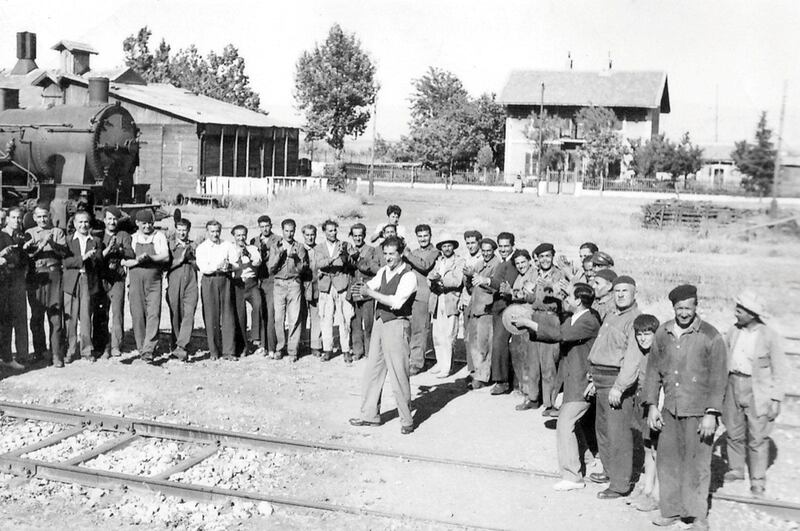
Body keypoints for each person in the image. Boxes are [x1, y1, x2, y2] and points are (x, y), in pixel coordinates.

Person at [644, 284, 727, 531]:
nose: (683, 313)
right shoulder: (663, 333)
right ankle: (670, 511)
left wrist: (711, 413)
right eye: (679, 308)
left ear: (696, 306)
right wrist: (651, 405)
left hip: (699, 414)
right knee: (667, 463)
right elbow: (653, 371)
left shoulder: (710, 336)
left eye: (688, 308)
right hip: (670, 410)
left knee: (697, 465)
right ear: (673, 308)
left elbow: (719, 378)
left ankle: (698, 516)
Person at [515, 283, 601, 490]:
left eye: (569, 296)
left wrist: (529, 323)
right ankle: (590, 460)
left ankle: (572, 476)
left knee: (564, 424)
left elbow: (558, 335)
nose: (565, 300)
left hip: (582, 380)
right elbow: (558, 331)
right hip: (573, 379)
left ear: (579, 300)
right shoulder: (574, 318)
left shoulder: (588, 320)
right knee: (578, 424)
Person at [349, 236, 417, 434]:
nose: (388, 258)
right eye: (385, 253)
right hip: (381, 322)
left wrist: (370, 294)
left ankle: (406, 420)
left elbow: (396, 302)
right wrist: (363, 290)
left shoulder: (409, 276)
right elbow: (373, 285)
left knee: (398, 373)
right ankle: (369, 415)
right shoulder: (384, 271)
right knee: (373, 370)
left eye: (392, 254)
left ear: (401, 253)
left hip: (397, 324)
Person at [722, 290, 787, 497]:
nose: (736, 313)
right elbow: (724, 357)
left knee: (758, 436)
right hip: (733, 383)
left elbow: (780, 369)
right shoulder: (733, 331)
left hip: (757, 390)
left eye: (740, 310)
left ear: (751, 313)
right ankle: (736, 469)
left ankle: (758, 480)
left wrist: (776, 399)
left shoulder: (769, 336)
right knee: (733, 430)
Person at [586, 275, 641, 499]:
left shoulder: (635, 319)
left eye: (624, 291)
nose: (619, 295)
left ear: (634, 293)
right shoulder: (611, 314)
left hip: (614, 382)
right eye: (617, 291)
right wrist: (592, 379)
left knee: (618, 434)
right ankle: (609, 471)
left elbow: (633, 359)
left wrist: (620, 386)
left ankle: (619, 484)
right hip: (599, 380)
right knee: (604, 430)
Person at [623, 313, 661, 512]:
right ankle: (647, 489)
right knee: (647, 446)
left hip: (656, 403)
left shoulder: (660, 352)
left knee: (658, 448)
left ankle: (656, 494)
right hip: (643, 401)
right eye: (639, 334)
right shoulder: (641, 352)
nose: (643, 338)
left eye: (647, 333)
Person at [24, 204, 69, 366]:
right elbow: (27, 256)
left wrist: (53, 243)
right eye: (39, 217)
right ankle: (39, 352)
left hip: (54, 276)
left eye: (45, 216)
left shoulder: (57, 232)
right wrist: (38, 246)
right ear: (34, 218)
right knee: (36, 316)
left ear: (50, 216)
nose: (43, 219)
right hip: (36, 278)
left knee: (55, 316)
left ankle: (57, 353)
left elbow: (64, 253)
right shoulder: (29, 234)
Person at [122, 210, 169, 362]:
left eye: (150, 223)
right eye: (144, 223)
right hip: (135, 281)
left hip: (154, 281)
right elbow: (124, 261)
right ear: (137, 223)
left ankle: (149, 348)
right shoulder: (132, 238)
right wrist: (137, 261)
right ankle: (141, 347)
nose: (147, 226)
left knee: (153, 313)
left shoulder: (159, 236)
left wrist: (150, 257)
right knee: (137, 314)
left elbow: (165, 255)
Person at [62, 210, 103, 362]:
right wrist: (83, 258)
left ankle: (86, 350)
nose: (83, 225)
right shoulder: (68, 240)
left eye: (86, 221)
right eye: (80, 222)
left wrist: (93, 258)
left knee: (86, 316)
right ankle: (70, 350)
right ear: (74, 224)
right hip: (72, 281)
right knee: (70, 318)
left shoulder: (96, 240)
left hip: (87, 280)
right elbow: (65, 262)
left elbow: (99, 261)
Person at [95, 206, 135, 359]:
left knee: (117, 312)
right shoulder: (98, 235)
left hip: (117, 277)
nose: (112, 222)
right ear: (104, 220)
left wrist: (120, 250)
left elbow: (131, 253)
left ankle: (116, 345)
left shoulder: (123, 235)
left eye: (114, 219)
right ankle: (101, 345)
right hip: (102, 278)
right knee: (101, 313)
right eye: (109, 219)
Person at [195, 220, 239, 360]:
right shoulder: (202, 248)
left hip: (225, 280)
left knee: (228, 315)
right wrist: (218, 265)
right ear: (207, 232)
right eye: (212, 231)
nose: (215, 234)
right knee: (211, 315)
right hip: (210, 280)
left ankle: (229, 351)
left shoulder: (227, 245)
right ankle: (214, 351)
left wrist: (229, 265)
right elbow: (204, 267)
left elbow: (236, 263)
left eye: (217, 231)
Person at [268, 218, 308, 361]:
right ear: (282, 230)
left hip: (294, 284)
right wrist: (279, 254)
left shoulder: (300, 247)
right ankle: (280, 348)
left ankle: (292, 350)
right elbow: (270, 268)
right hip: (279, 284)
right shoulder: (275, 246)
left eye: (292, 231)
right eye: (286, 231)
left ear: (295, 231)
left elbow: (302, 269)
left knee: (294, 318)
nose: (289, 234)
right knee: (279, 318)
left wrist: (296, 258)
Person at [316, 219, 355, 362]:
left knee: (344, 318)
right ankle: (327, 349)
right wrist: (333, 259)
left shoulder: (344, 245)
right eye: (330, 230)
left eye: (334, 230)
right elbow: (319, 263)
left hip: (341, 285)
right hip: (326, 287)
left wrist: (345, 256)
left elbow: (350, 263)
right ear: (324, 232)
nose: (333, 233)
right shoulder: (319, 248)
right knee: (326, 318)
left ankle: (345, 350)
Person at [427, 233, 465, 378]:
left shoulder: (459, 261)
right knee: (437, 334)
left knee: (449, 334)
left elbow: (457, 281)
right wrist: (432, 280)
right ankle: (439, 362)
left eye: (449, 245)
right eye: (444, 246)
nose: (447, 248)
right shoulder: (439, 261)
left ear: (453, 246)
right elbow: (430, 277)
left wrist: (440, 280)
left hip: (451, 299)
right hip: (437, 299)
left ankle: (447, 367)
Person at [403, 224, 438, 374]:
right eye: (420, 236)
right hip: (410, 296)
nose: (423, 239)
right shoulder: (414, 252)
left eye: (425, 235)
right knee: (408, 329)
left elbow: (424, 266)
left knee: (420, 330)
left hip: (423, 295)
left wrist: (408, 255)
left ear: (430, 236)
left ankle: (417, 363)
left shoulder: (434, 252)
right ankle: (409, 358)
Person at [465, 238, 499, 389]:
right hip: (475, 308)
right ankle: (477, 372)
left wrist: (483, 280)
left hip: (487, 309)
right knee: (474, 343)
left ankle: (483, 377)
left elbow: (496, 287)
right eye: (483, 250)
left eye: (488, 250)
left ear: (493, 250)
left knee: (484, 345)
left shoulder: (496, 265)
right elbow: (471, 288)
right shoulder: (479, 264)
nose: (485, 253)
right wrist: (469, 277)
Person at [487, 232, 518, 395]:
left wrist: (488, 281)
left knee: (500, 342)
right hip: (498, 306)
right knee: (497, 342)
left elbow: (506, 284)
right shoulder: (503, 262)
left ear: (513, 245)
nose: (503, 249)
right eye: (501, 246)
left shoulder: (512, 263)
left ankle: (502, 381)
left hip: (507, 308)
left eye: (506, 246)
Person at [0, 207, 30, 369]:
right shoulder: (1, 236)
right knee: (4, 320)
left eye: (19, 218)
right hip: (3, 282)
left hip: (17, 282)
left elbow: (24, 261)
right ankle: (5, 355)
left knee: (18, 319)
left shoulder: (21, 236)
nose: (17, 221)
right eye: (13, 218)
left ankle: (19, 356)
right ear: (7, 219)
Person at [166, 218, 198, 361]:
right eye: (179, 230)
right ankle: (176, 344)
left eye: (184, 230)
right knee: (176, 313)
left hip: (191, 282)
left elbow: (201, 265)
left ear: (188, 230)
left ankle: (182, 345)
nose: (182, 232)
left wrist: (192, 259)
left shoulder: (193, 246)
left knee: (189, 313)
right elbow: (164, 266)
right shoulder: (170, 245)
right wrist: (179, 259)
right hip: (174, 281)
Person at [231, 225, 264, 357]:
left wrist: (248, 255)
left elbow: (258, 262)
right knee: (240, 314)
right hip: (238, 283)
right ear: (234, 236)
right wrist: (237, 258)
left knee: (258, 305)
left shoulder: (252, 248)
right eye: (238, 235)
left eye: (243, 234)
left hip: (251, 283)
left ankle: (256, 338)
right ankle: (243, 346)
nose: (241, 237)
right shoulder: (230, 249)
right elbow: (230, 265)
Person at [350, 223, 381, 361]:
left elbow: (372, 268)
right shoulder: (348, 249)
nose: (357, 238)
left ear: (364, 235)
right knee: (355, 322)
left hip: (367, 288)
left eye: (360, 235)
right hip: (353, 288)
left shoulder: (371, 250)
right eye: (355, 235)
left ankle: (369, 350)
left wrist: (359, 260)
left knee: (368, 322)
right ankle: (357, 350)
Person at [252, 215, 281, 358]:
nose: (265, 229)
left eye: (267, 226)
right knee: (261, 313)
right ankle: (262, 345)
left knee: (271, 314)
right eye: (262, 226)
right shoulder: (254, 241)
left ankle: (272, 347)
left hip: (272, 280)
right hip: (258, 281)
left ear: (271, 225)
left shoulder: (278, 240)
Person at [459, 230, 484, 376]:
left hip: (479, 302)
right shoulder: (465, 258)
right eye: (467, 243)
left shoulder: (483, 258)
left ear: (479, 242)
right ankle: (471, 369)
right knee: (467, 337)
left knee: (479, 337)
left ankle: (480, 370)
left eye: (473, 242)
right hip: (467, 301)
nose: (470, 246)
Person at [301, 224, 322, 357]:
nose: (310, 237)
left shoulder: (320, 249)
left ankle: (315, 345)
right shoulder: (300, 249)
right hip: (302, 287)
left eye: (312, 234)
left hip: (317, 286)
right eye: (307, 235)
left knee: (316, 317)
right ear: (303, 235)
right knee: (301, 316)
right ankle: (301, 343)